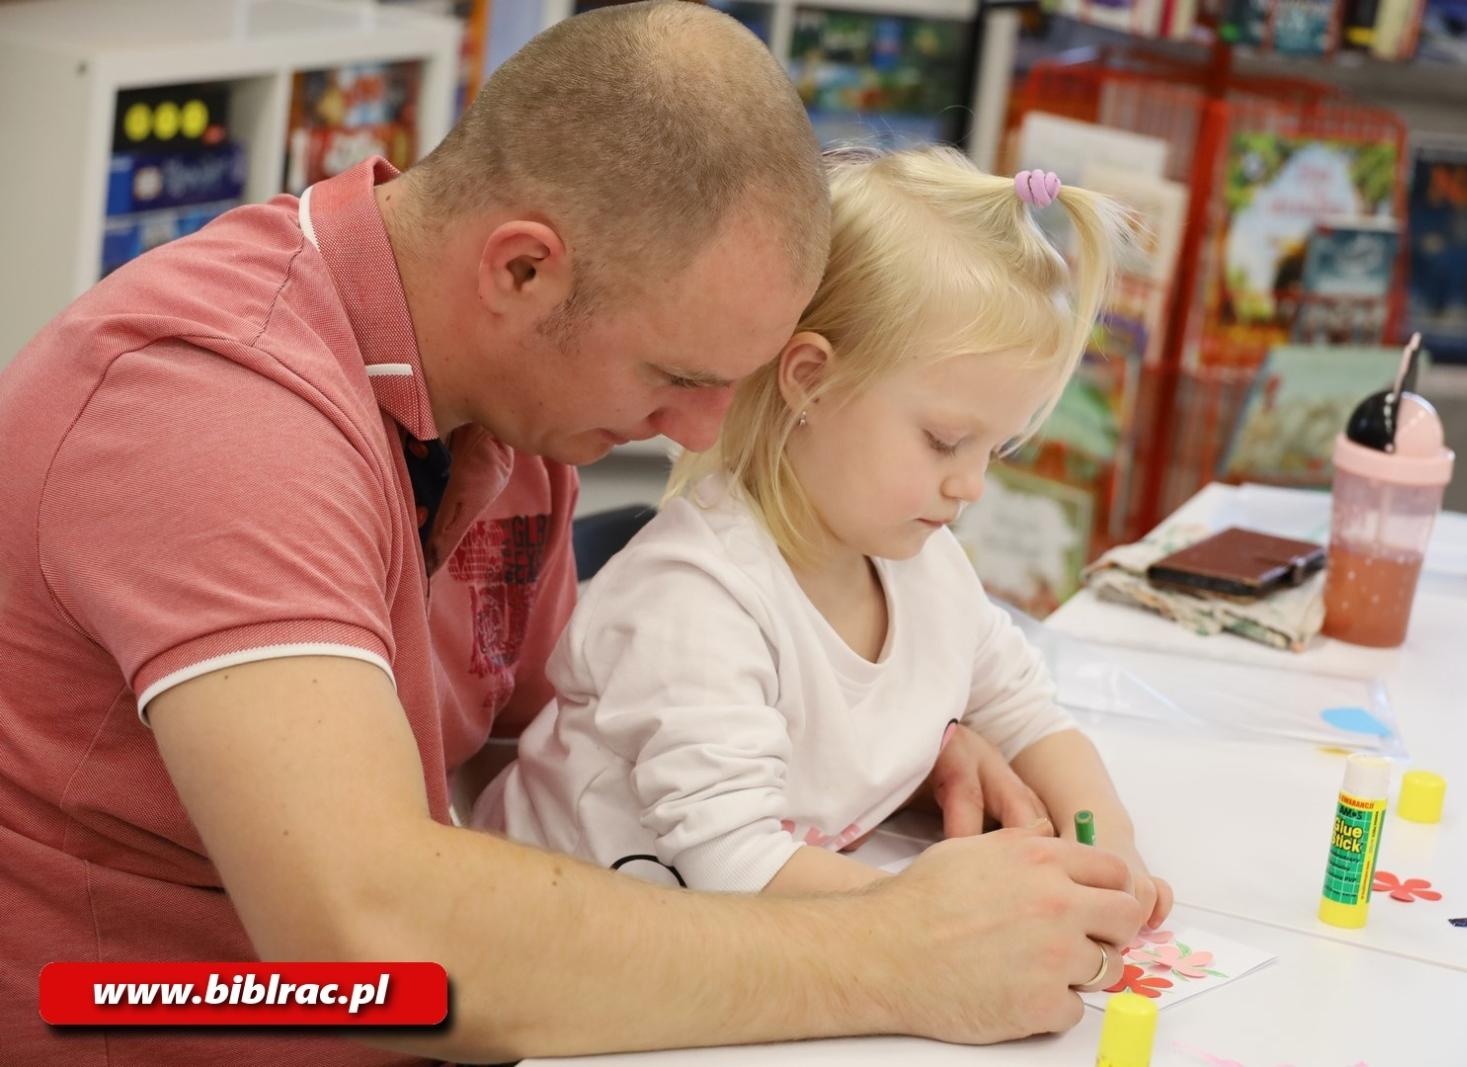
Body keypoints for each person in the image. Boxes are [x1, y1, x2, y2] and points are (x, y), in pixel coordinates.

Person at [0, 3, 1146, 1063]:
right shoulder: (210, 412)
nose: (703, 428)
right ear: (523, 267)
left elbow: (556, 760)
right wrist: (899, 949)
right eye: (676, 373)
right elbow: (368, 944)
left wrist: (852, 736)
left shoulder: (517, 409)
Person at [474, 146, 1174, 926]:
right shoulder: (696, 601)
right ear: (809, 379)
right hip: (573, 969)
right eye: (945, 441)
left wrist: (1113, 850)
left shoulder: (925, 565)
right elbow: (732, 864)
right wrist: (956, 915)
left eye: (996, 449)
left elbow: (1028, 713)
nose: (971, 485)